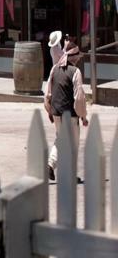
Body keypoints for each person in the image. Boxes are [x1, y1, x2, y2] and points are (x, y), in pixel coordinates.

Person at [44, 40, 88, 182]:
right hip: (70, 114)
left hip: (57, 112)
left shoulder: (54, 69)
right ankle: (52, 166)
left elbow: (48, 94)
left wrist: (49, 110)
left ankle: (52, 166)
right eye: (77, 56)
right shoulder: (75, 71)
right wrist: (83, 116)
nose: (79, 58)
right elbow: (79, 97)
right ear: (73, 57)